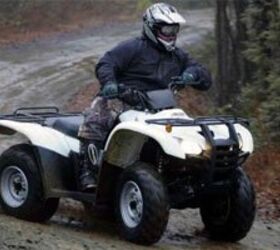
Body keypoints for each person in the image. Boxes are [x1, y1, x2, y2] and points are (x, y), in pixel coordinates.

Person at [78, 3, 212, 191]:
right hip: (124, 99)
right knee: (99, 116)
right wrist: (109, 83)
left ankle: (184, 171)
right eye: (167, 28)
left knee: (189, 131)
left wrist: (192, 74)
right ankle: (88, 171)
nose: (171, 34)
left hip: (160, 106)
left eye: (174, 29)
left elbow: (203, 74)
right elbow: (106, 63)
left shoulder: (177, 55)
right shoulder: (132, 47)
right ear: (152, 27)